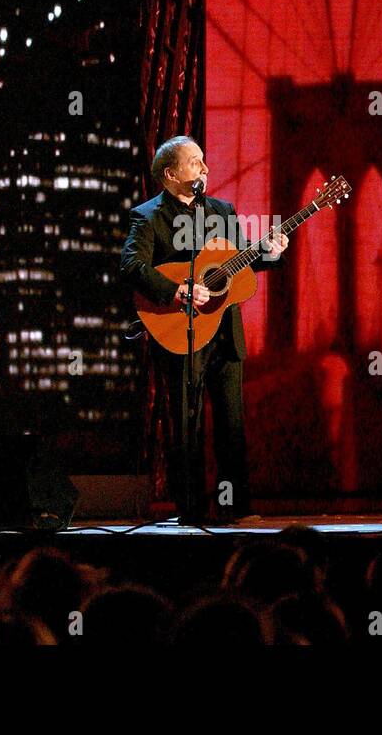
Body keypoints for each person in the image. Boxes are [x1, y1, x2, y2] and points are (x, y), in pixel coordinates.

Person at [120, 135, 288, 525]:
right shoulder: (147, 216)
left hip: (225, 332)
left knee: (232, 423)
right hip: (180, 332)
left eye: (203, 161)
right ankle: (190, 510)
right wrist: (177, 290)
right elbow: (131, 265)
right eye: (195, 163)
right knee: (187, 423)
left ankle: (236, 507)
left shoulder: (222, 211)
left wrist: (272, 252)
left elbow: (243, 263)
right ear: (171, 174)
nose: (205, 169)